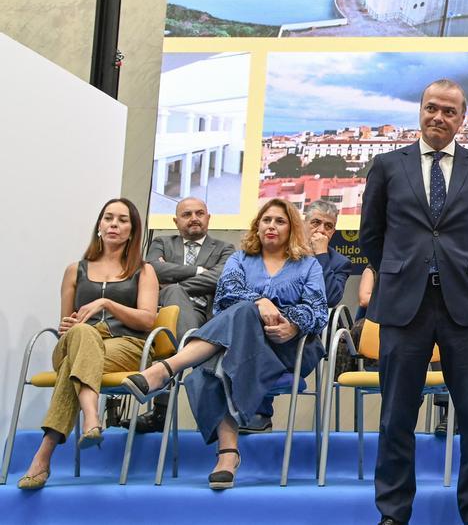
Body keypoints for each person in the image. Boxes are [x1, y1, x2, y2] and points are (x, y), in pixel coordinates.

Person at [359, 79, 468, 525]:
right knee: (396, 416)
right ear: (420, 111)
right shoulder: (387, 165)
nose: (438, 117)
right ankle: (393, 512)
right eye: (431, 108)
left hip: (467, 307)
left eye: (449, 111)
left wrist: (463, 269)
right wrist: (403, 270)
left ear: (462, 119)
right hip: (405, 306)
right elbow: (371, 236)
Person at [121, 198, 328, 490]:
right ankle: (227, 457)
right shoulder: (241, 259)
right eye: (266, 220)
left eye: (280, 221)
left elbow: (318, 311)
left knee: (225, 340)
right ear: (257, 226)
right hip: (243, 344)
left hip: (287, 347)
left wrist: (291, 323)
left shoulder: (308, 266)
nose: (272, 226)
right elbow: (225, 299)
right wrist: (260, 301)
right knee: (223, 347)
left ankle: (167, 370)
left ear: (292, 228)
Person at [17, 198, 159, 490]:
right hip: (77, 344)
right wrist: (68, 325)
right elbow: (65, 323)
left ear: (132, 231)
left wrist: (107, 303)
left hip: (126, 345)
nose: (114, 225)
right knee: (82, 334)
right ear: (99, 226)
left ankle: (43, 457)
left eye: (122, 220)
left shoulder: (144, 271)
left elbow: (147, 320)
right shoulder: (75, 270)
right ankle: (92, 416)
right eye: (108, 218)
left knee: (77, 357)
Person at [240, 198, 351, 434]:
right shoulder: (279, 252)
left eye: (328, 226)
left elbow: (330, 298)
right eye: (316, 223)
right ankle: (254, 412)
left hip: (305, 337)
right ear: (302, 223)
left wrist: (321, 256)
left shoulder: (339, 263)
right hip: (265, 328)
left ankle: (256, 412)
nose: (321, 230)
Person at [126, 197, 235, 433]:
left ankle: (162, 409)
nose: (194, 218)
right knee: (172, 300)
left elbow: (220, 277)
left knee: (174, 290)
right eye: (186, 214)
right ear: (176, 221)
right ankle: (190, 355)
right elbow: (151, 269)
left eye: (199, 213)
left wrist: (171, 283)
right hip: (164, 318)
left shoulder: (225, 249)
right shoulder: (162, 242)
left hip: (206, 316)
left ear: (208, 218)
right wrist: (197, 271)